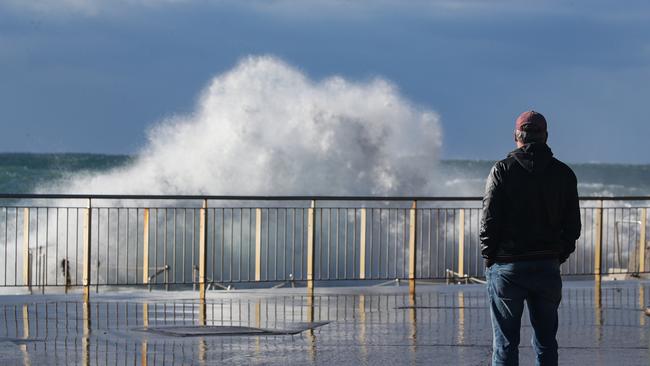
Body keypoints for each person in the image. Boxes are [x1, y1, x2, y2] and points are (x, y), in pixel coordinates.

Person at [480, 110, 581, 366]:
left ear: (517, 137)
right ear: (545, 136)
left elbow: (488, 221)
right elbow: (573, 227)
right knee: (546, 343)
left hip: (508, 267)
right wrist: (558, 255)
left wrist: (490, 258)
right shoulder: (564, 174)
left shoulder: (502, 170)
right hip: (547, 266)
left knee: (505, 344)